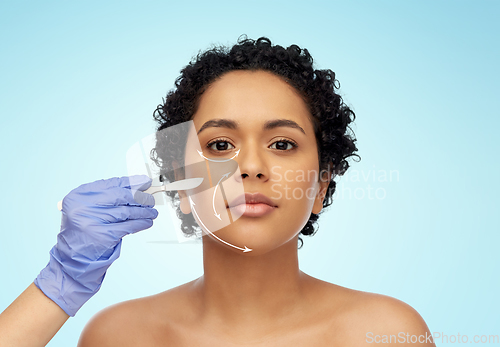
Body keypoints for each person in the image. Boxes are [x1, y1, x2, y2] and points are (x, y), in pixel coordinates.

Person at [0, 36, 435, 346]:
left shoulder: (384, 333)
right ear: (179, 180)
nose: (249, 167)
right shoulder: (118, 336)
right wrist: (59, 284)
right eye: (220, 145)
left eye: (282, 144)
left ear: (321, 184)